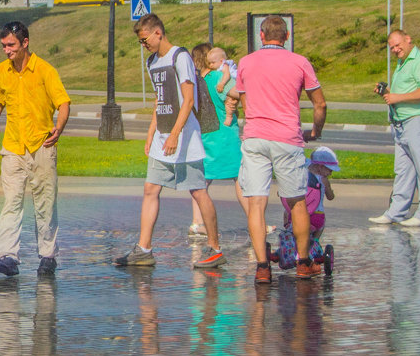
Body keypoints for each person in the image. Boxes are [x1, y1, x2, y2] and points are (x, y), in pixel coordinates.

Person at [114, 15, 225, 270]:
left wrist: (175, 134)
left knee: (198, 191)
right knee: (150, 190)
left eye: (145, 40)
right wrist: (152, 131)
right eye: (141, 42)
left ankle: (215, 248)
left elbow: (187, 99)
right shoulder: (152, 61)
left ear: (158, 33)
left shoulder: (180, 57)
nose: (144, 45)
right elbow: (159, 98)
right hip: (163, 139)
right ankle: (144, 249)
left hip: (185, 139)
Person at [225, 15, 327, 284]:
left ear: (261, 35)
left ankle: (261, 267)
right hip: (287, 138)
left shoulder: (246, 63)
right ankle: (303, 263)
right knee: (297, 202)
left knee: (256, 203)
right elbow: (320, 104)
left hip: (255, 138)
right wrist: (316, 131)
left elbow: (244, 99)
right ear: (286, 36)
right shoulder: (299, 62)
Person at [0, 21, 70, 277]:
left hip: (41, 145)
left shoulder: (45, 70)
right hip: (13, 147)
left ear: (25, 43)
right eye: (3, 46)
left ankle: (47, 255)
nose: (6, 50)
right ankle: (7, 256)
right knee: (11, 201)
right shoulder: (2, 70)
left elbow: (63, 103)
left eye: (11, 45)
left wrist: (59, 127)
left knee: (44, 204)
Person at [369, 30, 420, 227]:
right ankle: (396, 212)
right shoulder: (401, 63)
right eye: (392, 47)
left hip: (418, 121)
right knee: (403, 170)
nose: (395, 49)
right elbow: (403, 92)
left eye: (398, 45)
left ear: (408, 40)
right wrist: (388, 92)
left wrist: (397, 97)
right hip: (401, 123)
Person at [186, 43, 247, 238]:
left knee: (201, 180)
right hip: (224, 133)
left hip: (204, 134)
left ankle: (197, 222)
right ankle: (255, 221)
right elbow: (238, 93)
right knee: (240, 177)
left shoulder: (196, 80)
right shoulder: (216, 78)